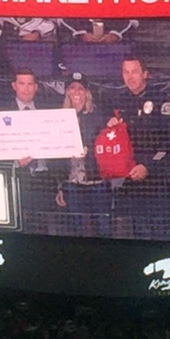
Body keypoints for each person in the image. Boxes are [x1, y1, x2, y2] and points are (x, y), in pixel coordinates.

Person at [109, 55, 170, 239]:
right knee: (137, 235)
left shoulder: (161, 101)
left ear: (145, 74)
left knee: (162, 236)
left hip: (160, 182)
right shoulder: (119, 101)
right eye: (126, 72)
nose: (130, 77)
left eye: (135, 72)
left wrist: (147, 165)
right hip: (133, 182)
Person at [0, 68, 57, 222]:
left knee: (45, 227)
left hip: (45, 179)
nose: (26, 88)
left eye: (30, 84)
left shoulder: (48, 111)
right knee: (19, 224)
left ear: (36, 87)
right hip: (16, 177)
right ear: (14, 85)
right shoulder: (0, 112)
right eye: (22, 83)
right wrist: (14, 162)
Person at [54, 73, 110, 236]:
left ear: (87, 92)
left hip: (97, 181)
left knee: (103, 228)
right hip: (72, 183)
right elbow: (55, 158)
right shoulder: (58, 118)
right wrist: (60, 186)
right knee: (76, 229)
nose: (76, 92)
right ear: (67, 92)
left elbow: (109, 146)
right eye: (72, 87)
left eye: (81, 88)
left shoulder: (99, 116)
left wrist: (90, 152)